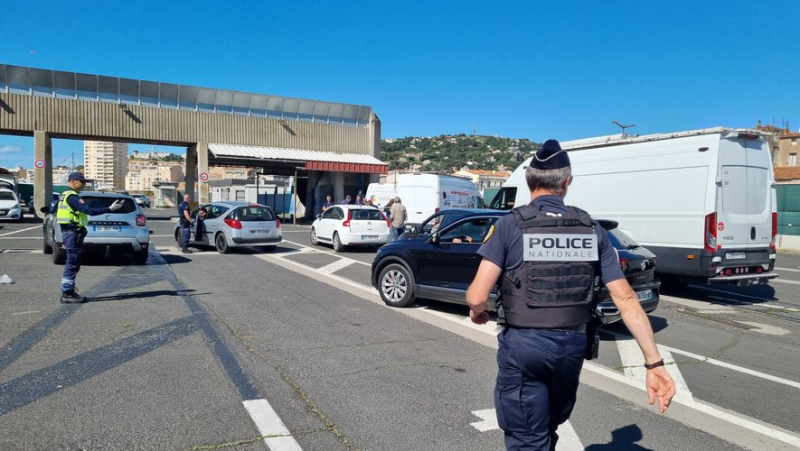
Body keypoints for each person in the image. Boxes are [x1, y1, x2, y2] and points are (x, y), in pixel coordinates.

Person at [466, 140, 675, 451]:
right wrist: (654, 364)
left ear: (529, 181)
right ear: (566, 183)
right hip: (571, 349)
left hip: (524, 348)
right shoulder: (591, 229)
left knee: (527, 439)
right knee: (548, 428)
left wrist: (477, 310)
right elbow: (627, 299)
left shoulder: (510, 225)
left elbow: (476, 295)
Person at [56, 172, 124, 303]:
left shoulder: (65, 195)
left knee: (73, 262)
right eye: (82, 181)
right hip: (72, 233)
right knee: (72, 263)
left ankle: (69, 291)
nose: (84, 184)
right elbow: (89, 211)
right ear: (73, 181)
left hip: (71, 232)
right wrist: (110, 208)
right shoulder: (72, 197)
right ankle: (67, 293)